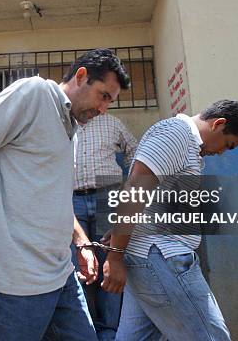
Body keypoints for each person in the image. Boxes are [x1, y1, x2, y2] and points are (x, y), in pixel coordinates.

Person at [0, 48, 131, 340]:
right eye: (103, 96)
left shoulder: (71, 127)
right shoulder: (34, 93)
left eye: (110, 101)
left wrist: (81, 242)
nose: (103, 109)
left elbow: (53, 197)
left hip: (59, 273)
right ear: (81, 76)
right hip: (11, 280)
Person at [101, 100, 238, 341]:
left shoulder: (186, 144)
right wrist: (115, 255)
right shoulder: (177, 135)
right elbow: (136, 189)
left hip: (151, 256)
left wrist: (122, 232)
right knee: (210, 337)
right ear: (219, 124)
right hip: (161, 256)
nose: (221, 152)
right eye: (228, 145)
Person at [72, 113, 137, 340]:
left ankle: (109, 331)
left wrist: (130, 185)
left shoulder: (112, 122)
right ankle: (84, 329)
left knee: (110, 262)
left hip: (106, 196)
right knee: (79, 266)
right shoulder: (63, 122)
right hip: (71, 198)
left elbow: (134, 152)